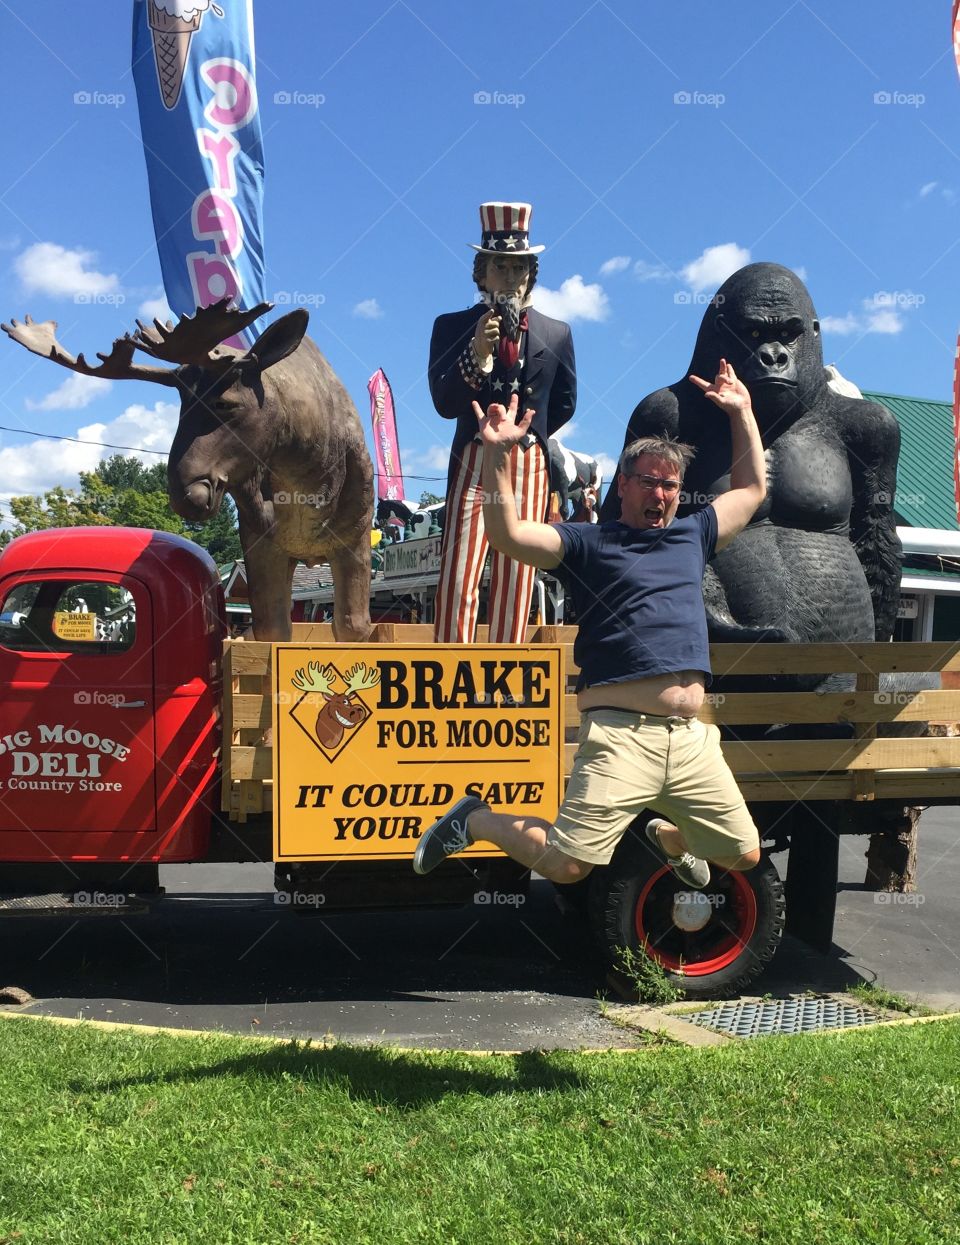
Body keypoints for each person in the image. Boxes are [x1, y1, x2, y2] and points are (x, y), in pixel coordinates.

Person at [413, 359, 764, 889]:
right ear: (622, 485)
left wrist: (743, 411)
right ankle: (475, 819)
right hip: (620, 736)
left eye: (670, 486)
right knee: (568, 866)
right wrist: (497, 456)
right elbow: (507, 534)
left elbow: (752, 489)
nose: (661, 494)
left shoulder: (694, 534)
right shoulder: (587, 543)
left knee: (743, 855)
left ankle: (669, 840)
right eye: (648, 482)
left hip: (692, 738)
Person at [428, 202, 576, 643]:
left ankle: (505, 681)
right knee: (459, 578)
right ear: (481, 273)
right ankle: (450, 675)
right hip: (474, 459)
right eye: (500, 267)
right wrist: (475, 356)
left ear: (531, 272)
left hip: (528, 462)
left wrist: (529, 434)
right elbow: (443, 402)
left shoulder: (557, 333)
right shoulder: (451, 326)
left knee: (518, 578)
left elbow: (565, 403)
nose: (510, 278)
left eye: (519, 268)